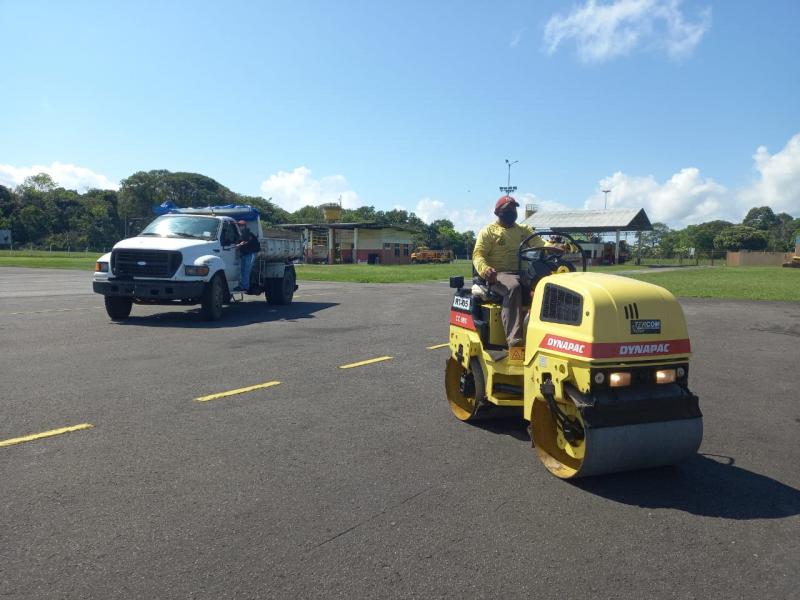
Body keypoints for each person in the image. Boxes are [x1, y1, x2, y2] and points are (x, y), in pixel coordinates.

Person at [472, 195, 546, 348]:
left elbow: (540, 243)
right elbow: (478, 255)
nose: (512, 212)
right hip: (498, 274)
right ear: (498, 212)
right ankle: (515, 340)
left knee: (546, 287)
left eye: (514, 209)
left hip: (522, 273)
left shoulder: (522, 230)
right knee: (513, 287)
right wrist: (485, 270)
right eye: (508, 209)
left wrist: (555, 246)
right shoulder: (488, 232)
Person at [235, 219, 260, 292]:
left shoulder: (247, 233)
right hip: (245, 254)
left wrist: (239, 245)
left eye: (241, 225)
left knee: (246, 270)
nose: (240, 226)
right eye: (239, 225)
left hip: (250, 253)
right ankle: (243, 285)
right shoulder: (241, 233)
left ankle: (245, 287)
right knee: (243, 270)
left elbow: (246, 241)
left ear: (244, 226)